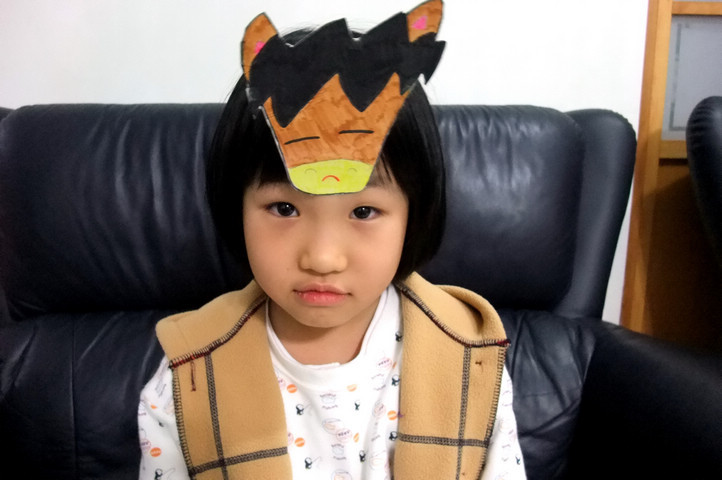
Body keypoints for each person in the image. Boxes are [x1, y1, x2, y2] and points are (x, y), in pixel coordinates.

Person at [138, 1, 526, 478]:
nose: (322, 258)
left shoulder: (473, 362)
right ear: (234, 206)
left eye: (363, 212)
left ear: (415, 213)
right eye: (284, 209)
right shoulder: (187, 379)